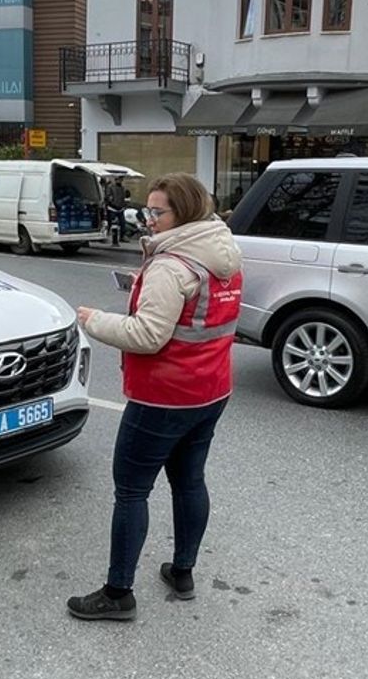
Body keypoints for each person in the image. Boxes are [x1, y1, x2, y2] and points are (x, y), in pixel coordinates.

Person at [68, 173, 243, 621]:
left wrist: (93, 319)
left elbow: (147, 335)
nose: (149, 218)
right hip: (211, 391)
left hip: (162, 397)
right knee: (189, 481)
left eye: (157, 211)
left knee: (131, 492)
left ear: (181, 212)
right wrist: (142, 287)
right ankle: (182, 570)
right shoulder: (222, 255)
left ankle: (118, 592)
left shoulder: (171, 265)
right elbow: (194, 312)